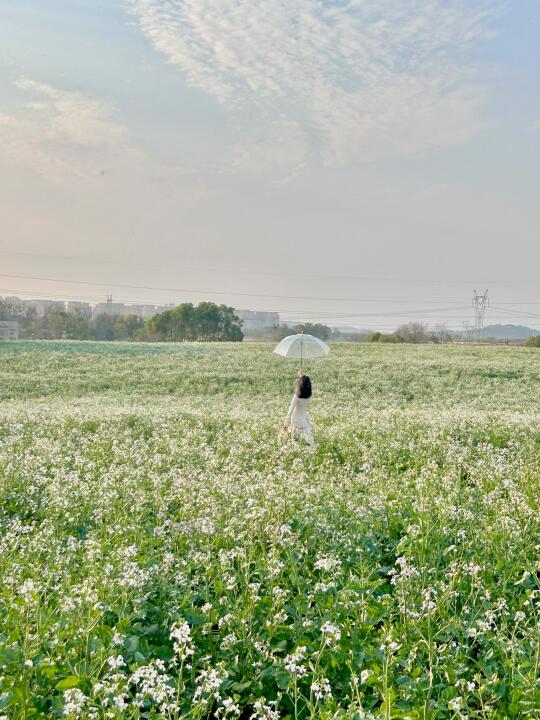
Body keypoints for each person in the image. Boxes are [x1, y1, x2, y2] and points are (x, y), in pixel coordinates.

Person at [282, 372, 314, 448]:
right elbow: (304, 384)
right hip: (304, 420)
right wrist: (301, 376)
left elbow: (290, 411)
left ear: (299, 384)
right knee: (308, 441)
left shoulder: (296, 396)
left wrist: (285, 424)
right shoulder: (309, 396)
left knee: (296, 442)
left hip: (295, 420)